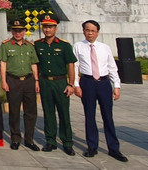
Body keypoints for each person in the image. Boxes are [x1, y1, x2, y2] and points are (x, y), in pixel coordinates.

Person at [73, 20, 128, 162]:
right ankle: (92, 147)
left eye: (93, 30)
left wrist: (116, 86)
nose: (90, 33)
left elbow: (112, 67)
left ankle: (114, 148)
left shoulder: (104, 47)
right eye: (87, 30)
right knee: (89, 115)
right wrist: (76, 85)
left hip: (103, 83)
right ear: (83, 31)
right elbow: (75, 67)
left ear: (97, 32)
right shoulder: (78, 46)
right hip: (87, 82)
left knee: (108, 116)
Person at [35, 16, 77, 155]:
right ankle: (50, 141)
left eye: (50, 27)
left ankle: (67, 142)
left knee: (64, 113)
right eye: (45, 26)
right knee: (48, 112)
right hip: (45, 82)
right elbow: (35, 64)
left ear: (55, 28)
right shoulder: (38, 44)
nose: (47, 29)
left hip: (60, 82)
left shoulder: (64, 45)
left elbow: (70, 65)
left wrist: (71, 84)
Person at [0, 20, 40, 151]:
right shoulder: (5, 45)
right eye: (15, 30)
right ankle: (15, 138)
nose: (18, 33)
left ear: (24, 31)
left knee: (30, 112)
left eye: (20, 30)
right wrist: (4, 81)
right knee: (14, 111)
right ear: (12, 31)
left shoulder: (29, 45)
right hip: (13, 80)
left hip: (28, 81)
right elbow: (3, 64)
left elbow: (34, 64)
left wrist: (36, 81)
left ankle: (29, 139)